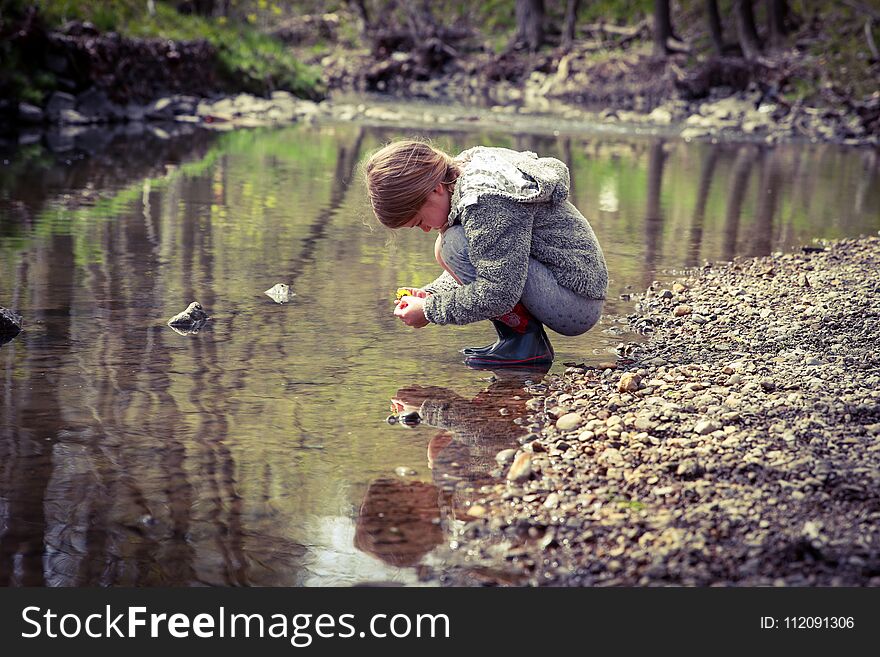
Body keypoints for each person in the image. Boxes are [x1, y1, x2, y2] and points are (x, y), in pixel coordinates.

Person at [364, 139, 608, 367]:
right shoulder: (463, 174)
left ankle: (526, 345)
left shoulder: (484, 201)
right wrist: (431, 294)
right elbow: (493, 260)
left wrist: (430, 311)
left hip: (574, 302)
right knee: (448, 245)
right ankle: (517, 342)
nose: (426, 229)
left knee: (451, 244)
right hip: (563, 287)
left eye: (419, 222)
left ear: (436, 190)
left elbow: (498, 291)